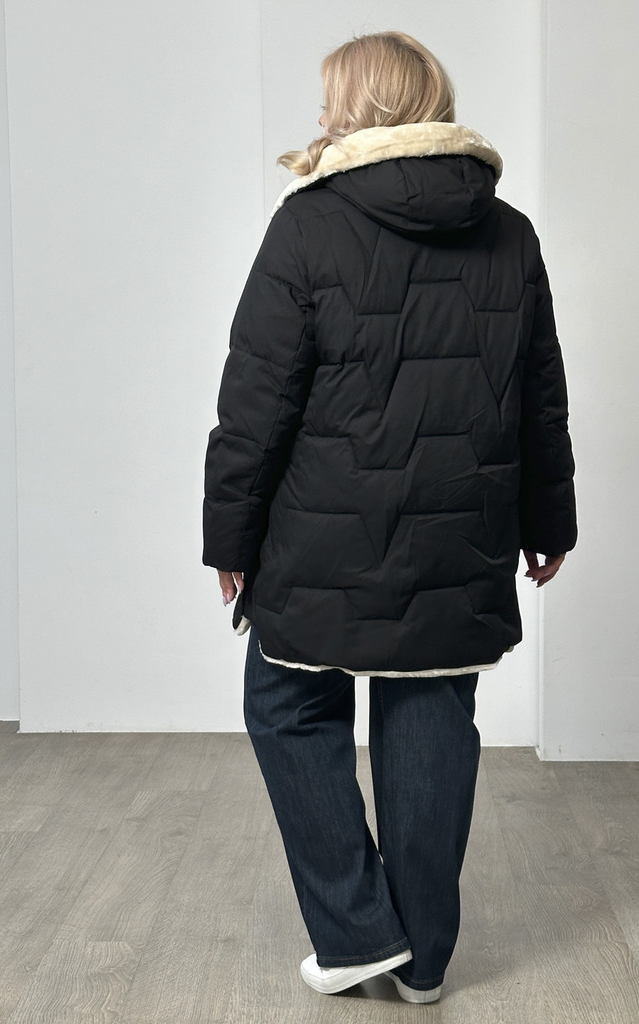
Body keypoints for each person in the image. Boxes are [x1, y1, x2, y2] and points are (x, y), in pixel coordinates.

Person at [202, 30, 577, 1004]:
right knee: (430, 708)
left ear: (358, 108)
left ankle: (357, 930)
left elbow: (256, 399)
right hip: (460, 533)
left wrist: (230, 536)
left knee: (286, 703)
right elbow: (538, 396)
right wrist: (549, 520)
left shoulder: (307, 223)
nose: (320, 114)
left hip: (320, 533)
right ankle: (423, 959)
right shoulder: (509, 231)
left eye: (331, 97)